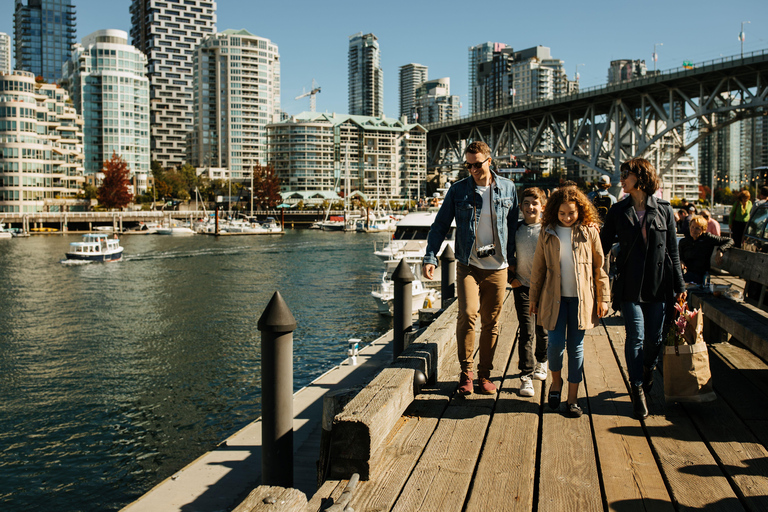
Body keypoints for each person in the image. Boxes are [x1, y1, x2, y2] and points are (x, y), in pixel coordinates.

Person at [422, 141, 519, 395]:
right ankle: (466, 373)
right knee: (467, 314)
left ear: (489, 161)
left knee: (492, 322)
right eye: (469, 165)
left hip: (498, 266)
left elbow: (514, 228)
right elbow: (440, 225)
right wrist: (430, 256)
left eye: (477, 164)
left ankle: (485, 375)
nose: (473, 169)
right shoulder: (458, 190)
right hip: (469, 264)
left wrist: (516, 263)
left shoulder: (508, 188)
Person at [601, 158, 686, 420]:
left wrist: (680, 287)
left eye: (626, 174)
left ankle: (649, 368)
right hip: (630, 285)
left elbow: (672, 251)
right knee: (635, 336)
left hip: (659, 285)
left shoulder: (664, 210)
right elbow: (601, 246)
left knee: (655, 339)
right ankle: (636, 388)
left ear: (640, 177)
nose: (621, 179)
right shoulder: (618, 210)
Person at [529, 187, 610, 418]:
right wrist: (533, 298)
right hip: (554, 299)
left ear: (580, 210)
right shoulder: (547, 232)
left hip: (581, 300)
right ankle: (556, 384)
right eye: (562, 213)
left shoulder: (589, 232)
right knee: (554, 345)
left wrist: (603, 298)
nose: (566, 217)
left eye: (571, 213)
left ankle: (572, 399)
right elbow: (538, 268)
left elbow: (600, 267)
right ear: (555, 211)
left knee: (576, 349)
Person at [509, 187, 549, 398]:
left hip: (544, 288)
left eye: (534, 203)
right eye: (526, 203)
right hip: (522, 286)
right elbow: (507, 254)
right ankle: (526, 376)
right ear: (521, 207)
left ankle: (542, 361)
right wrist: (511, 279)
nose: (530, 207)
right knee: (526, 330)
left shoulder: (549, 229)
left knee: (542, 329)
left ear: (542, 207)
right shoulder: (515, 229)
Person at [679, 215, 733, 284]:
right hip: (688, 273)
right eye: (692, 227)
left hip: (701, 275)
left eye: (697, 228)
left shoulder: (707, 238)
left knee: (679, 282)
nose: (693, 230)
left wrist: (720, 250)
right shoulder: (684, 241)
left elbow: (730, 240)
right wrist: (681, 261)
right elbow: (680, 256)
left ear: (703, 229)